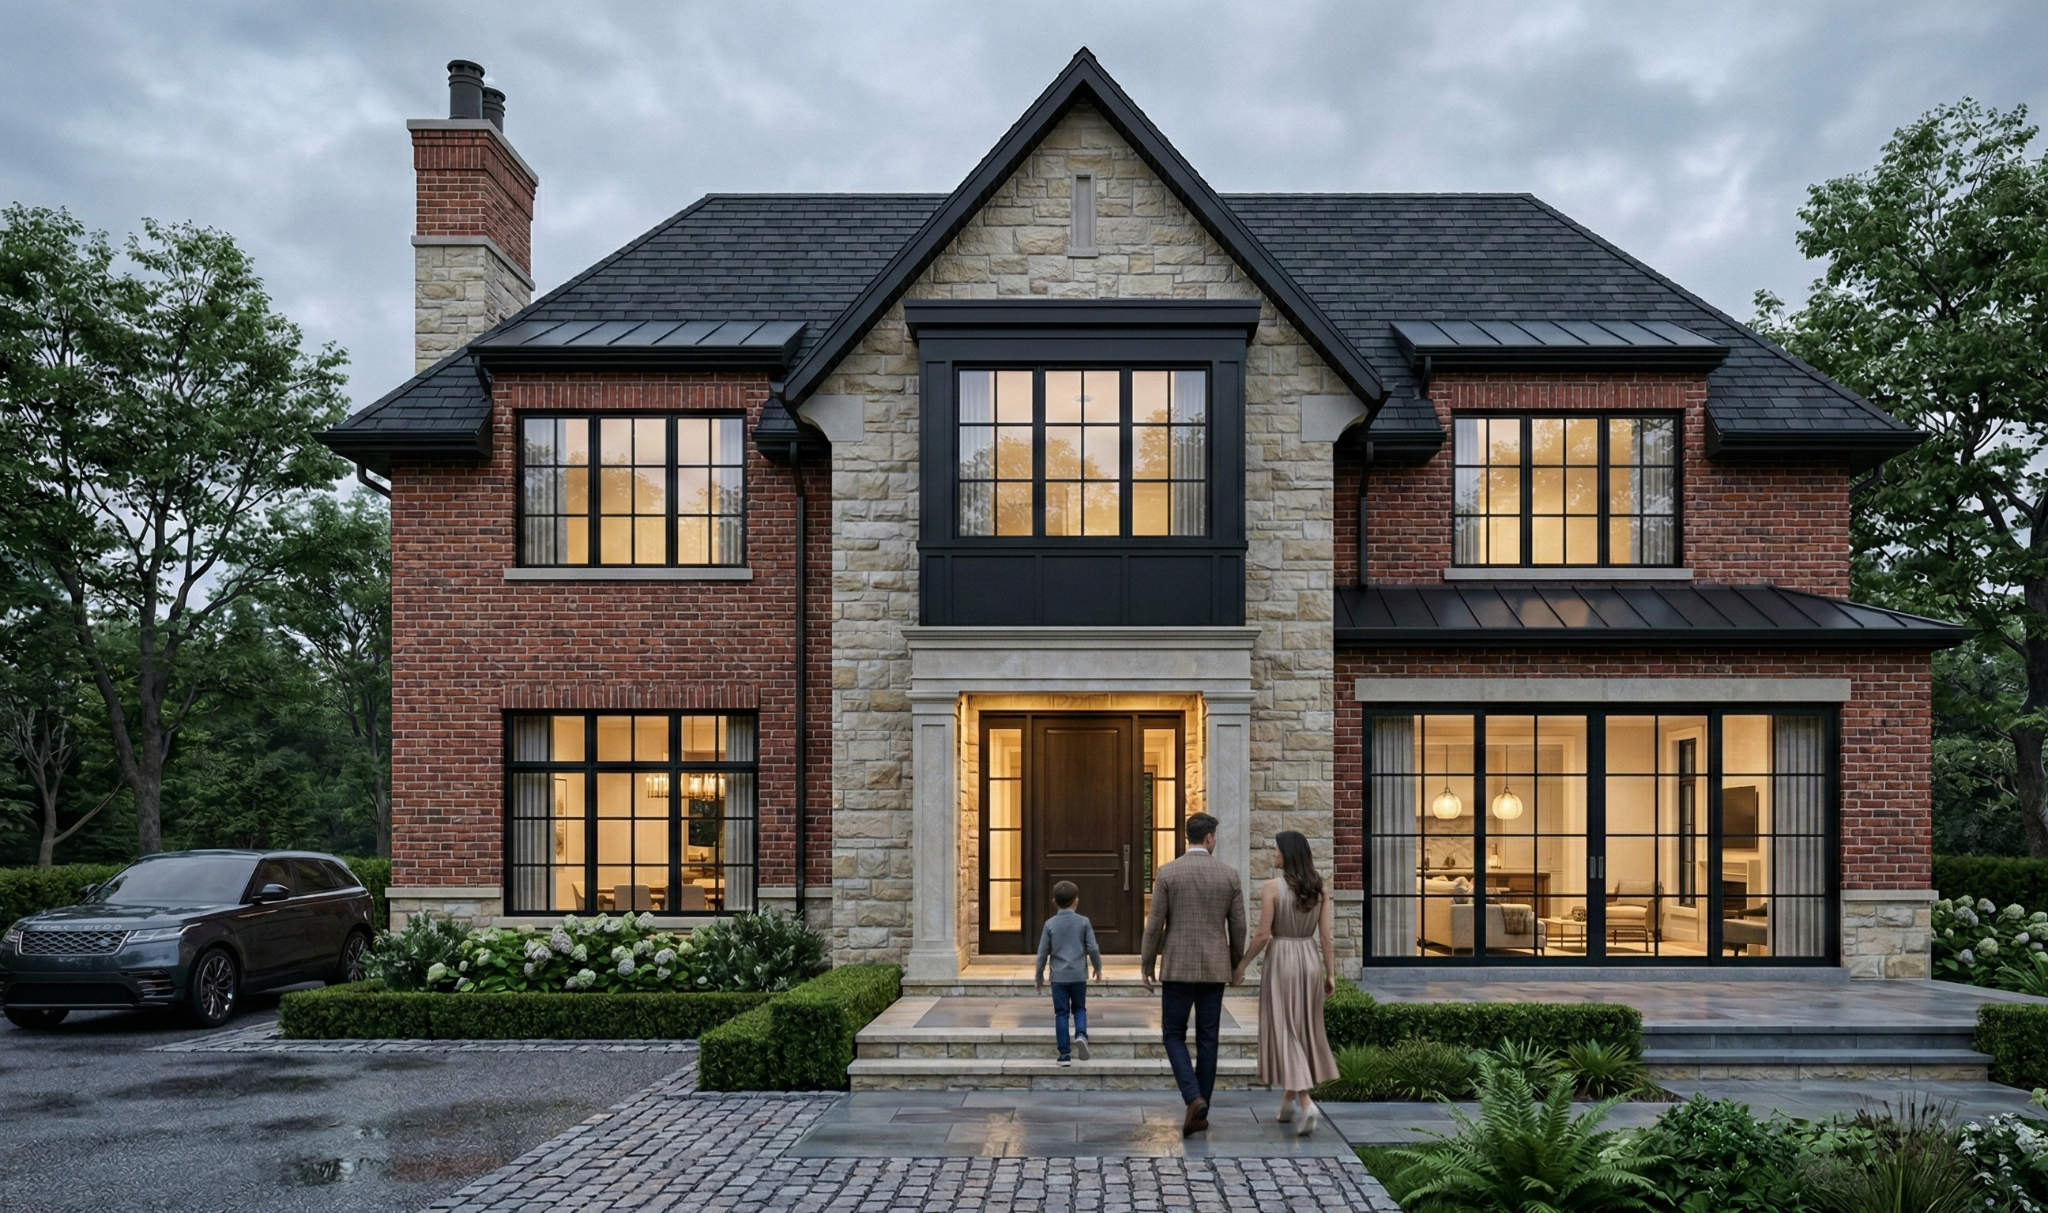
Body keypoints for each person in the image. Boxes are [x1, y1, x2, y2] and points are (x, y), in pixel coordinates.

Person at [1140, 811, 1247, 1138]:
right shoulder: (1229, 875)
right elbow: (1239, 926)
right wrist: (1235, 963)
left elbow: (1155, 923)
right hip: (1214, 968)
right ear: (1210, 837)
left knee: (1173, 1033)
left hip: (1178, 967)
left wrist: (1147, 963)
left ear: (1189, 836)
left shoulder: (1168, 873)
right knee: (1208, 1038)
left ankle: (1193, 1098)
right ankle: (1200, 1107)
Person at [1231, 830, 1341, 1135]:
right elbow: (1326, 937)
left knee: (1286, 1030)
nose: (1272, 854)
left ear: (1288, 854)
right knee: (1302, 1028)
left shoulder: (1272, 888)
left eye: (1276, 849)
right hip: (1309, 959)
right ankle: (1288, 1102)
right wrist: (1330, 973)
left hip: (1282, 960)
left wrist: (1241, 965)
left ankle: (1306, 1102)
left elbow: (1263, 935)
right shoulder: (1319, 888)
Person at [1034, 879, 1102, 1065]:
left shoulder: (1050, 924)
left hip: (1058, 977)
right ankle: (1081, 1035)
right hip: (1079, 975)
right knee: (1079, 1008)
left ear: (1054, 902)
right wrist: (1097, 967)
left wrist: (1039, 976)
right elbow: (1093, 947)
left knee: (1061, 1013)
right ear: (1077, 901)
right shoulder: (1083, 922)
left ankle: (1064, 1054)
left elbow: (1042, 954)